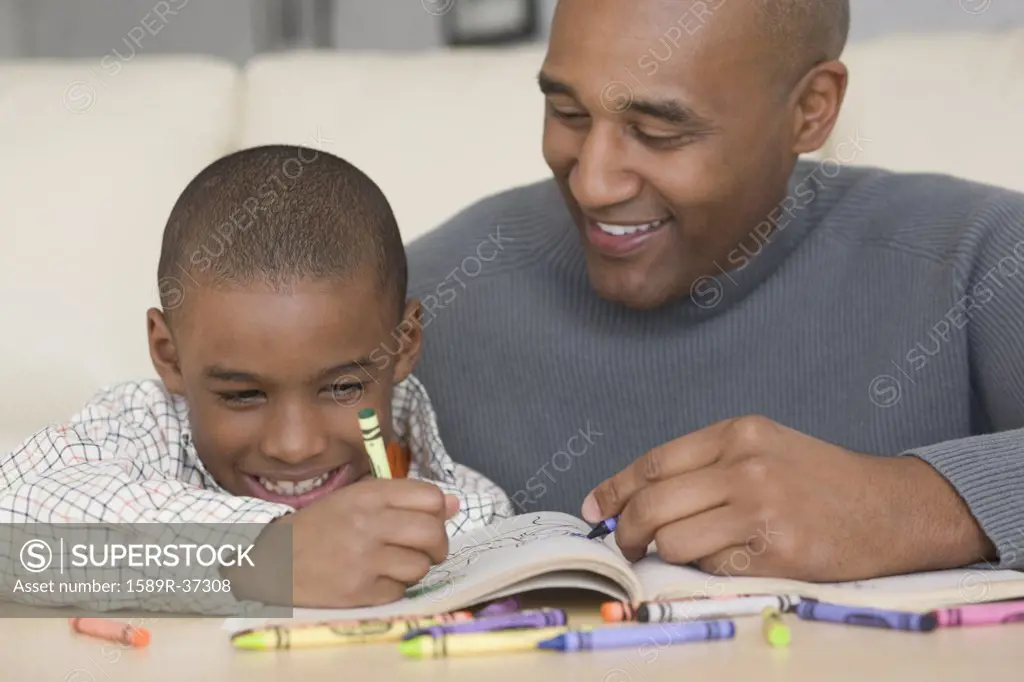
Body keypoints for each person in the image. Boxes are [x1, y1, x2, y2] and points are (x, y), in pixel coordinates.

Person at [406, 0, 1024, 583]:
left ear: (811, 108)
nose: (593, 184)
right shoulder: (418, 299)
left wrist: (913, 507)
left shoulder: (977, 257)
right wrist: (303, 569)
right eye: (568, 114)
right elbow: (309, 543)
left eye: (657, 132)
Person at [0, 145, 511, 613]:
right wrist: (264, 562)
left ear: (403, 345)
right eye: (243, 394)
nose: (294, 447)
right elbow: (14, 529)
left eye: (342, 388)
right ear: (169, 355)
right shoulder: (140, 429)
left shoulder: (465, 514)